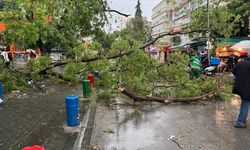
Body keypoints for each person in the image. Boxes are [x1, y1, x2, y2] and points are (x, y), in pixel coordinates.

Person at [233, 53, 250, 128]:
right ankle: (240, 122)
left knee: (245, 102)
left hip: (240, 86)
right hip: (247, 87)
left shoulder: (240, 62)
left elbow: (234, 73)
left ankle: (241, 119)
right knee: (246, 103)